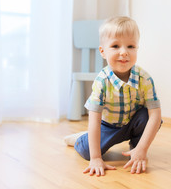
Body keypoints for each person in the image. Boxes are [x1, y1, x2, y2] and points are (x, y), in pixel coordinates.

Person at [64, 16, 162, 176]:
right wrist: (96, 158)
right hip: (108, 126)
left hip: (132, 123)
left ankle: (136, 149)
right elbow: (94, 119)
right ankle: (80, 138)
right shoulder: (102, 81)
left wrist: (142, 149)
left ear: (137, 49)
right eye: (115, 46)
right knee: (88, 152)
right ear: (103, 51)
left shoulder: (145, 79)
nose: (124, 52)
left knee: (146, 115)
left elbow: (155, 116)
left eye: (130, 46)